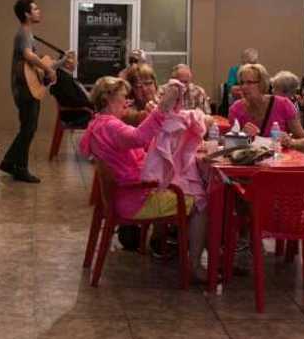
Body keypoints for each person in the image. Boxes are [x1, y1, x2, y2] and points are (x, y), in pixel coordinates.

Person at [79, 77, 209, 280]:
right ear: (108, 98)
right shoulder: (111, 127)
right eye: (123, 98)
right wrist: (162, 109)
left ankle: (166, 247)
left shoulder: (97, 124)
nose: (127, 102)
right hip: (135, 200)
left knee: (178, 185)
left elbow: (136, 146)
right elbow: (138, 137)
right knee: (200, 202)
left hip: (122, 196)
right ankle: (194, 267)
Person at [0, 0, 54, 183]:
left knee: (28, 128)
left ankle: (10, 163)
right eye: (35, 9)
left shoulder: (28, 34)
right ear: (26, 14)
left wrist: (52, 66)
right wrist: (47, 69)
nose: (39, 11)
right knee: (28, 128)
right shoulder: (23, 33)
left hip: (27, 88)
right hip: (24, 89)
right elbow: (28, 55)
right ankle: (18, 167)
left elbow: (33, 62)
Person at [227, 63, 304, 152]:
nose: (243, 87)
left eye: (249, 82)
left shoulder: (283, 104)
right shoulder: (236, 109)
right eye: (242, 83)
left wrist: (291, 142)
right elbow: (229, 147)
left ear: (262, 84)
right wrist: (242, 136)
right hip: (250, 163)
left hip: (280, 162)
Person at [49, 51, 93, 126]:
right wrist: (91, 104)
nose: (77, 63)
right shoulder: (63, 78)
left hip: (80, 109)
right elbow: (71, 100)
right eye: (76, 60)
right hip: (76, 114)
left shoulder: (66, 76)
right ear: (67, 63)